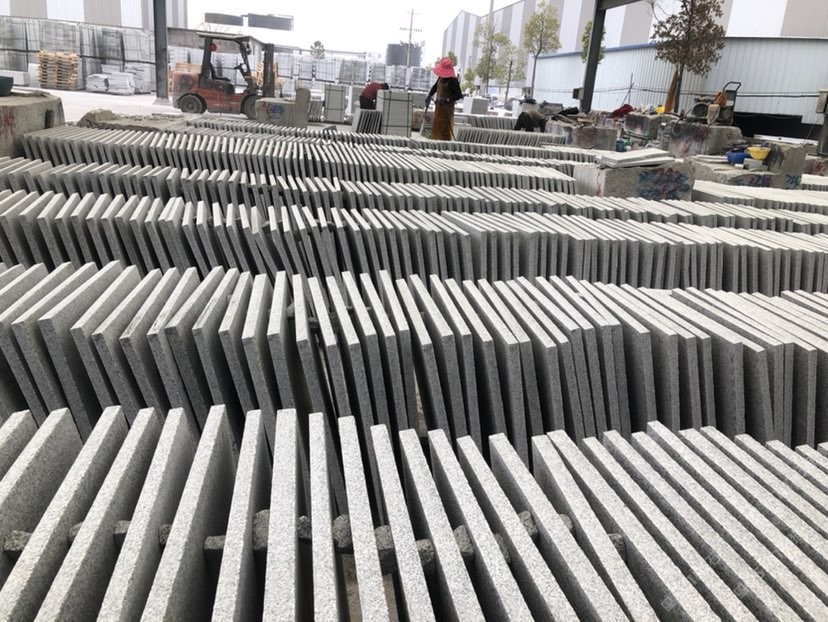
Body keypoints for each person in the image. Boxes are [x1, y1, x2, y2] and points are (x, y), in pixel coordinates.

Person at [425, 57, 463, 140]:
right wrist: (429, 95)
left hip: (447, 110)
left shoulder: (453, 80)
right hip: (439, 107)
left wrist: (447, 100)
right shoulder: (441, 77)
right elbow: (435, 87)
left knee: (444, 131)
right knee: (436, 128)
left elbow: (458, 95)